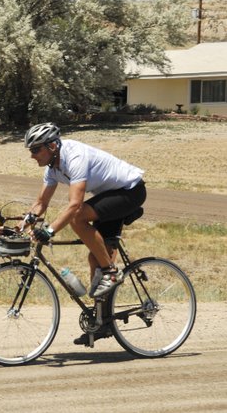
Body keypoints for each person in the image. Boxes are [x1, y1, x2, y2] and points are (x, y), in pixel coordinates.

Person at [19, 122, 146, 344]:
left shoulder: (74, 156)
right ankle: (103, 323)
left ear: (51, 146)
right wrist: (22, 226)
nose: (32, 155)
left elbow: (75, 205)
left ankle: (111, 272)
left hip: (129, 191)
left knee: (77, 217)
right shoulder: (53, 168)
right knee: (94, 256)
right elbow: (40, 203)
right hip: (109, 195)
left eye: (35, 149)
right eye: (31, 150)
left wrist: (49, 231)